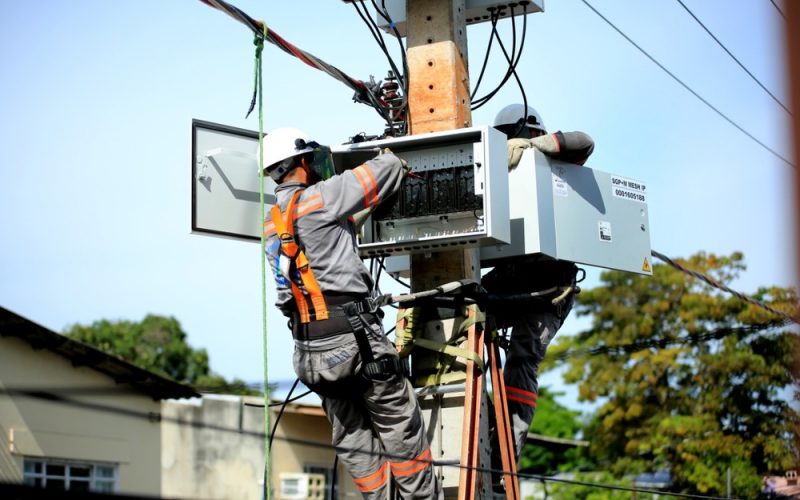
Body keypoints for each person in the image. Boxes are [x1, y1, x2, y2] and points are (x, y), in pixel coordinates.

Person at [261, 127, 442, 500]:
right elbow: (387, 168)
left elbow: (286, 296)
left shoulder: (271, 223)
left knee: (353, 440)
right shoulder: (323, 196)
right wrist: (391, 151)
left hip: (309, 354)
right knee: (400, 432)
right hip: (356, 342)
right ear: (303, 162)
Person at [483, 104, 595, 465]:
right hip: (510, 277)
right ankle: (474, 427)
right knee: (461, 323)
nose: (514, 144)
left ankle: (505, 455)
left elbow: (584, 141)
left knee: (522, 357)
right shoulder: (494, 168)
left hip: (549, 287)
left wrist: (535, 148)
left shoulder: (555, 165)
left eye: (520, 137)